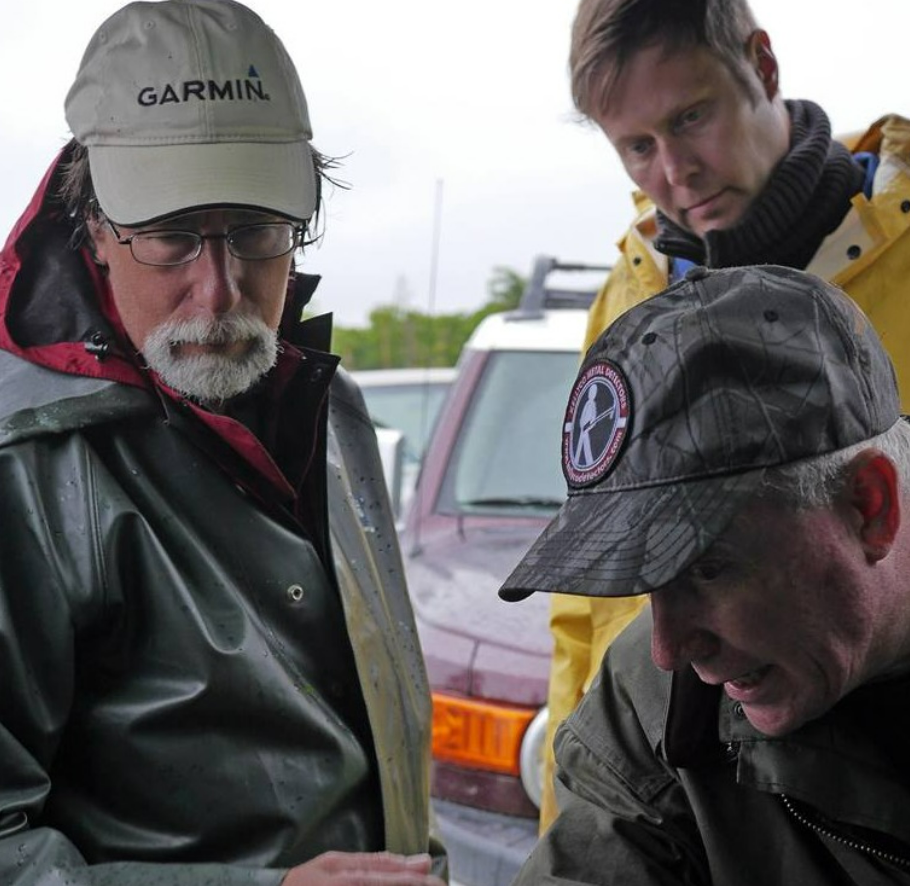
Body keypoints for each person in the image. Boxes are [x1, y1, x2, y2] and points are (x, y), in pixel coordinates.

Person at [0, 2, 447, 884]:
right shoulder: (23, 463)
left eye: (257, 231)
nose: (220, 292)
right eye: (171, 236)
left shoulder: (335, 410)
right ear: (92, 226)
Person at [540, 0, 910, 831]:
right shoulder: (626, 300)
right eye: (638, 146)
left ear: (763, 66)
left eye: (690, 118)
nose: (676, 171)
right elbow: (585, 611)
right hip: (668, 805)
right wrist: (578, 815)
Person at [501, 263, 910, 883]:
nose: (669, 650)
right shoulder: (656, 704)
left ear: (867, 506)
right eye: (645, 577)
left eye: (708, 568)